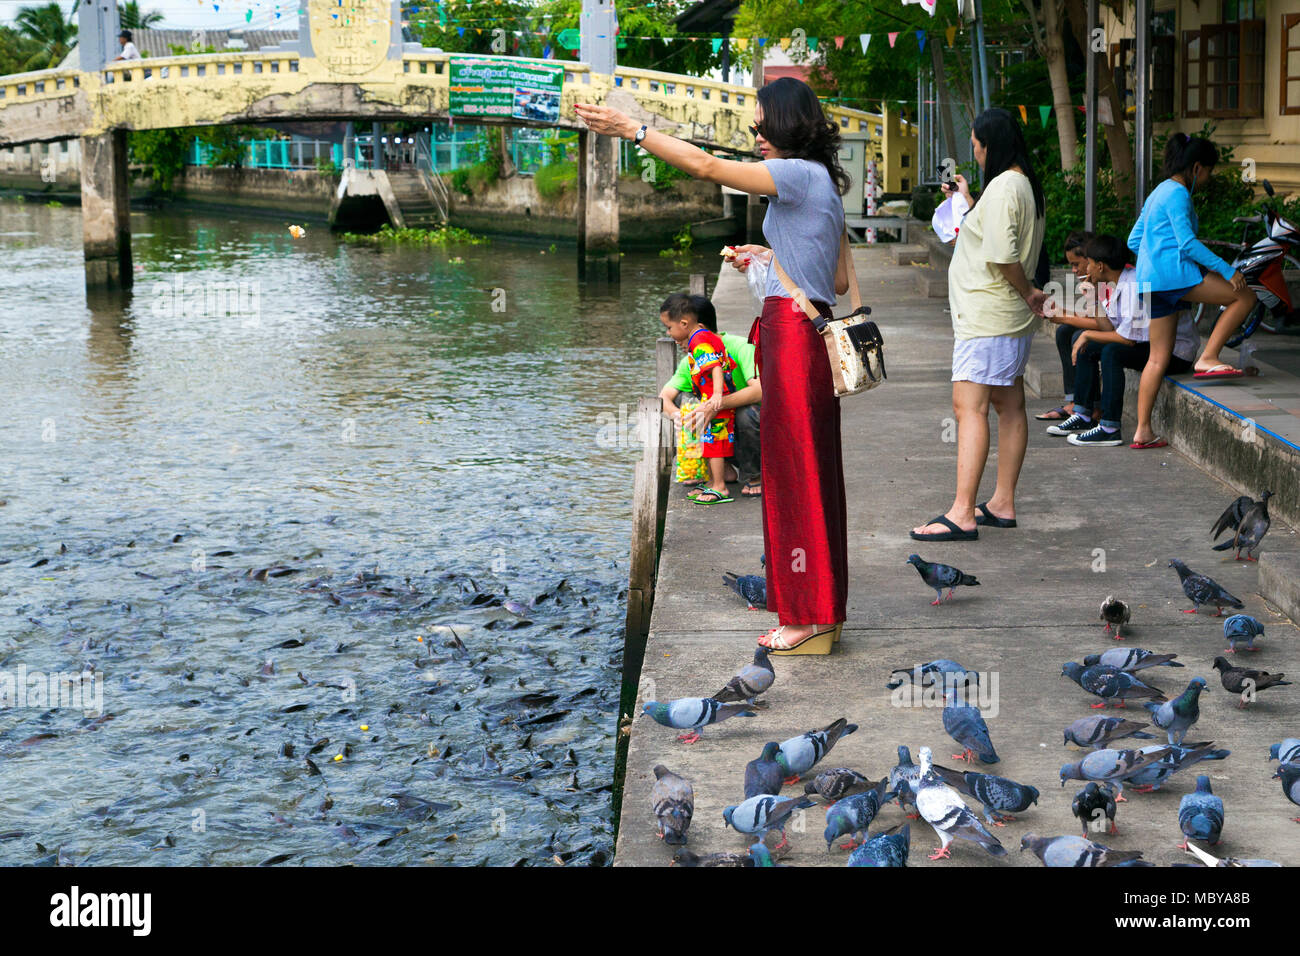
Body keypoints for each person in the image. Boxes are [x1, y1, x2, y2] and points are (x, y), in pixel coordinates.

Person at [576, 76, 851, 653]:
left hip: (792, 337)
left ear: (786, 125)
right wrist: (771, 256)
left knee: (794, 479)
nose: (755, 135)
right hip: (808, 335)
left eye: (761, 125)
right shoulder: (824, 182)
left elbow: (704, 167)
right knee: (812, 475)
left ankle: (805, 620)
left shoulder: (797, 174)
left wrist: (634, 129)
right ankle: (819, 611)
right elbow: (840, 281)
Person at [911, 108, 1046, 541]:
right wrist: (968, 201)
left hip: (988, 316)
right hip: (1003, 319)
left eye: (977, 147)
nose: (977, 154)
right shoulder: (1022, 184)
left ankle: (962, 512)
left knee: (968, 408)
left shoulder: (1005, 185)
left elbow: (1002, 254)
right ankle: (1001, 503)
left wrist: (1027, 292)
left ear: (991, 145)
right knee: (1010, 407)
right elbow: (992, 234)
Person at [1128, 133, 1255, 448]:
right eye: (1209, 171)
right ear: (1197, 167)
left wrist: (1154, 260)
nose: (1209, 178)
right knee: (1245, 296)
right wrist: (1228, 270)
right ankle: (1208, 356)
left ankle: (1142, 430)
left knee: (1157, 358)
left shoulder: (1157, 192)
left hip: (1150, 282)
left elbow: (1134, 240)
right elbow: (1186, 243)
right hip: (1175, 277)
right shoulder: (1179, 194)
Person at [1057, 235, 1193, 446]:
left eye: (1090, 264)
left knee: (1111, 352)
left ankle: (1110, 427)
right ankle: (1084, 414)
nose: (1086, 269)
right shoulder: (1110, 283)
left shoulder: (1135, 285)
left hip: (1175, 352)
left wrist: (1085, 334)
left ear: (1100, 266)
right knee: (1090, 347)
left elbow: (1127, 341)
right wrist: (1093, 299)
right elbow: (1108, 328)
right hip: (1147, 343)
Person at [658, 294, 763, 496]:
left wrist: (717, 403)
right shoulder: (692, 358)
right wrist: (681, 417)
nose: (670, 335)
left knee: (745, 413)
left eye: (671, 328)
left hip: (753, 429)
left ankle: (754, 474)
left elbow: (760, 391)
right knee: (685, 401)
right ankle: (722, 473)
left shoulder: (741, 347)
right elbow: (664, 398)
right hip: (724, 425)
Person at [1036, 230, 1095, 423]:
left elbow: (1102, 324)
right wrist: (1062, 313)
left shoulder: (1107, 280)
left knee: (1079, 336)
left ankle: (1088, 406)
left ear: (1092, 260)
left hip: (1123, 335)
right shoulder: (1091, 281)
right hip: (1110, 328)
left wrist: (1064, 317)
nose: (1074, 271)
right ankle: (1073, 400)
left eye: (1076, 264)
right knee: (1064, 332)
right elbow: (1093, 317)